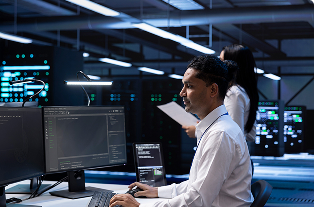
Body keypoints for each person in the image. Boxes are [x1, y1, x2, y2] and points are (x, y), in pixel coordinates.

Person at [109, 55, 253, 207]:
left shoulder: (220, 134)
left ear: (213, 90)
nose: (182, 93)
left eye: (189, 86)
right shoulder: (217, 128)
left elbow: (197, 200)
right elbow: (196, 185)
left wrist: (140, 206)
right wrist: (157, 191)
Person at [182, 44, 259, 143]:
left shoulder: (233, 94)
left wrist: (198, 131)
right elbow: (251, 135)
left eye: (222, 61)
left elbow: (230, 136)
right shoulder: (242, 91)